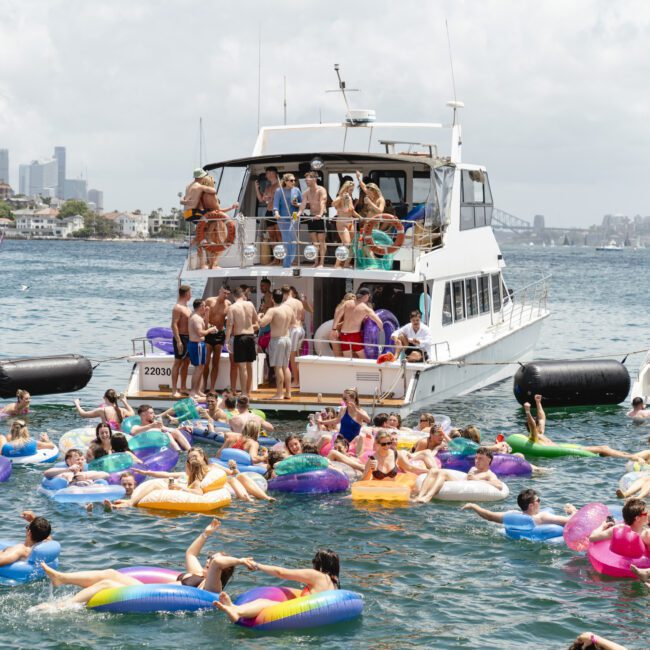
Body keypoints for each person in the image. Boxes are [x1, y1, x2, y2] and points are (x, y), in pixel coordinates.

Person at [37, 519, 251, 609]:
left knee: (106, 585)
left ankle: (61, 607)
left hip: (148, 594)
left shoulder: (213, 587)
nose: (207, 560)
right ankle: (61, 578)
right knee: (110, 572)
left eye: (211, 559)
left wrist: (240, 560)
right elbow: (190, 552)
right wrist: (206, 533)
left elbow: (219, 563)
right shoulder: (198, 574)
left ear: (220, 568)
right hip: (146, 589)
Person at [214, 549, 340, 623]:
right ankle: (236, 610)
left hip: (304, 613)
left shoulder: (316, 575)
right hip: (319, 617)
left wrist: (257, 566)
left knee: (264, 602)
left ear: (320, 565)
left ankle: (237, 610)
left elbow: (281, 572)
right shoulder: (335, 584)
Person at [525, 394, 637, 458]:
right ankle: (630, 457)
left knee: (605, 448)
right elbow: (533, 425)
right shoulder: (534, 436)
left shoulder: (540, 433)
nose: (541, 424)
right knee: (603, 448)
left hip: (566, 448)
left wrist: (538, 402)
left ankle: (632, 456)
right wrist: (528, 411)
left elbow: (542, 418)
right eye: (537, 424)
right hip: (565, 451)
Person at [413, 447, 504, 504]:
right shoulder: (473, 468)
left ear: (488, 460)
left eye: (480, 458)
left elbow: (499, 486)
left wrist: (477, 479)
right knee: (433, 470)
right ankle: (420, 496)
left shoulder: (489, 474)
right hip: (459, 482)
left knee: (443, 473)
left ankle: (428, 497)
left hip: (461, 487)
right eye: (476, 458)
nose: (476, 460)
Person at [461, 488, 577, 526]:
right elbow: (571, 522)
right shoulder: (543, 517)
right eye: (538, 500)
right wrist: (572, 511)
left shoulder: (512, 516)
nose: (540, 502)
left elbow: (489, 516)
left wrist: (473, 506)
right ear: (531, 505)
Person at [195, 174, 239, 270]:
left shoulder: (201, 196)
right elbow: (219, 211)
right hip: (216, 223)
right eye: (213, 182)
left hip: (207, 222)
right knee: (217, 243)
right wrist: (231, 207)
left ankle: (205, 264)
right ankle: (214, 265)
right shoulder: (212, 195)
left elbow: (203, 210)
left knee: (207, 242)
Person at [258, 288, 293, 400]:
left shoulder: (272, 310)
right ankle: (288, 392)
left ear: (272, 299)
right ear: (282, 298)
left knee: (278, 367)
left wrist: (259, 317)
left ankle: (279, 393)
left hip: (277, 340)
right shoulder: (289, 309)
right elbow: (293, 323)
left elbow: (262, 324)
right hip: (287, 338)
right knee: (285, 366)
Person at [225, 287, 259, 396]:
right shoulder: (250, 304)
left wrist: (227, 341)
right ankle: (248, 391)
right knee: (249, 366)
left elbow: (229, 325)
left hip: (240, 337)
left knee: (242, 366)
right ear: (242, 294)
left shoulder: (233, 307)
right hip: (250, 336)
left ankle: (244, 392)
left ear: (234, 296)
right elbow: (256, 321)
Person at [333, 288, 383, 359]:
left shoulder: (347, 303)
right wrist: (381, 329)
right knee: (363, 358)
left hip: (344, 335)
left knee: (347, 359)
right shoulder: (366, 308)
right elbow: (379, 321)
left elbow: (338, 315)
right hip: (355, 336)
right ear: (366, 296)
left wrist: (334, 329)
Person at [188, 299, 219, 399]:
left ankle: (197, 390)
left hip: (199, 344)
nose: (205, 307)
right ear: (200, 306)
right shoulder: (196, 318)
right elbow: (201, 333)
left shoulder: (198, 317)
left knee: (201, 368)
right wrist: (210, 330)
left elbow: (205, 325)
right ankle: (193, 391)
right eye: (204, 306)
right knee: (198, 368)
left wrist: (207, 313)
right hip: (197, 344)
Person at [203, 285, 231, 394]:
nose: (225, 295)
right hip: (209, 333)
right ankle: (204, 386)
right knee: (206, 362)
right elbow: (201, 314)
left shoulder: (228, 304)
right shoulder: (210, 301)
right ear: (219, 291)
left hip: (219, 334)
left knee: (216, 363)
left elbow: (229, 320)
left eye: (227, 294)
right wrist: (208, 325)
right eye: (224, 293)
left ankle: (212, 388)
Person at [297, 171, 328, 267]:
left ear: (314, 179)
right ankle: (316, 261)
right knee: (314, 241)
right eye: (305, 180)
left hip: (321, 217)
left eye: (308, 179)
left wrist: (320, 214)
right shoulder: (306, 192)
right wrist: (298, 214)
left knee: (321, 241)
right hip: (312, 217)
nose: (306, 181)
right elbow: (303, 204)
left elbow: (323, 202)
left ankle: (322, 262)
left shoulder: (321, 190)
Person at [272, 173, 302, 268]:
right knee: (286, 240)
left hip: (294, 216)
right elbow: (275, 205)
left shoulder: (297, 190)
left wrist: (297, 204)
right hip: (283, 218)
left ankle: (289, 260)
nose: (293, 182)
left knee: (293, 239)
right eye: (291, 180)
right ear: (285, 181)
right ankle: (287, 263)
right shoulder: (279, 191)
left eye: (294, 180)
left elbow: (303, 204)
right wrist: (276, 213)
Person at [282, 285, 309, 387]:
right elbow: (302, 317)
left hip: (293, 330)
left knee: (292, 357)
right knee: (297, 357)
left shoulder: (286, 304)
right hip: (301, 329)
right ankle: (299, 380)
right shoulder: (299, 302)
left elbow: (286, 318)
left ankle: (296, 381)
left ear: (284, 293)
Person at [43, 448, 110, 486]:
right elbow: (46, 473)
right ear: (68, 461)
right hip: (72, 490)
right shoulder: (65, 473)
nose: (80, 461)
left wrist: (85, 476)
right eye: (77, 459)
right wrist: (68, 469)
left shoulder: (87, 472)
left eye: (82, 459)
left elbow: (106, 475)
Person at [332, 180, 360, 268]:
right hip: (342, 222)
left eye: (352, 190)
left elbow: (352, 211)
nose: (351, 191)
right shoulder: (340, 196)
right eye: (350, 190)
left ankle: (345, 263)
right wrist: (342, 197)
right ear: (346, 189)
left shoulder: (350, 198)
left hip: (350, 221)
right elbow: (333, 204)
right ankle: (337, 264)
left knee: (350, 244)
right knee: (346, 243)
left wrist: (361, 218)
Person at [171, 284, 192, 399]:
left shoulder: (187, 307)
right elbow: (174, 324)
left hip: (189, 338)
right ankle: (174, 390)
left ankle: (183, 387)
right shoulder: (177, 307)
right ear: (187, 294)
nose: (191, 295)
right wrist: (178, 341)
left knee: (186, 363)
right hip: (181, 337)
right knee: (178, 363)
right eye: (190, 293)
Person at [254, 167, 281, 257]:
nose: (267, 175)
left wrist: (271, 198)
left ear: (275, 173)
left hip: (278, 212)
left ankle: (282, 258)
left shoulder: (281, 185)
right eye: (266, 173)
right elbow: (261, 199)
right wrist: (257, 188)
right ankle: (276, 259)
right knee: (272, 237)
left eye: (269, 172)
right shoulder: (268, 187)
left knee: (279, 236)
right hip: (269, 212)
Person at [328, 292, 356, 357]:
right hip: (336, 335)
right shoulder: (341, 308)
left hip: (339, 334)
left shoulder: (341, 307)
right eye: (353, 301)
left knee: (342, 358)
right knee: (339, 357)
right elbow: (336, 325)